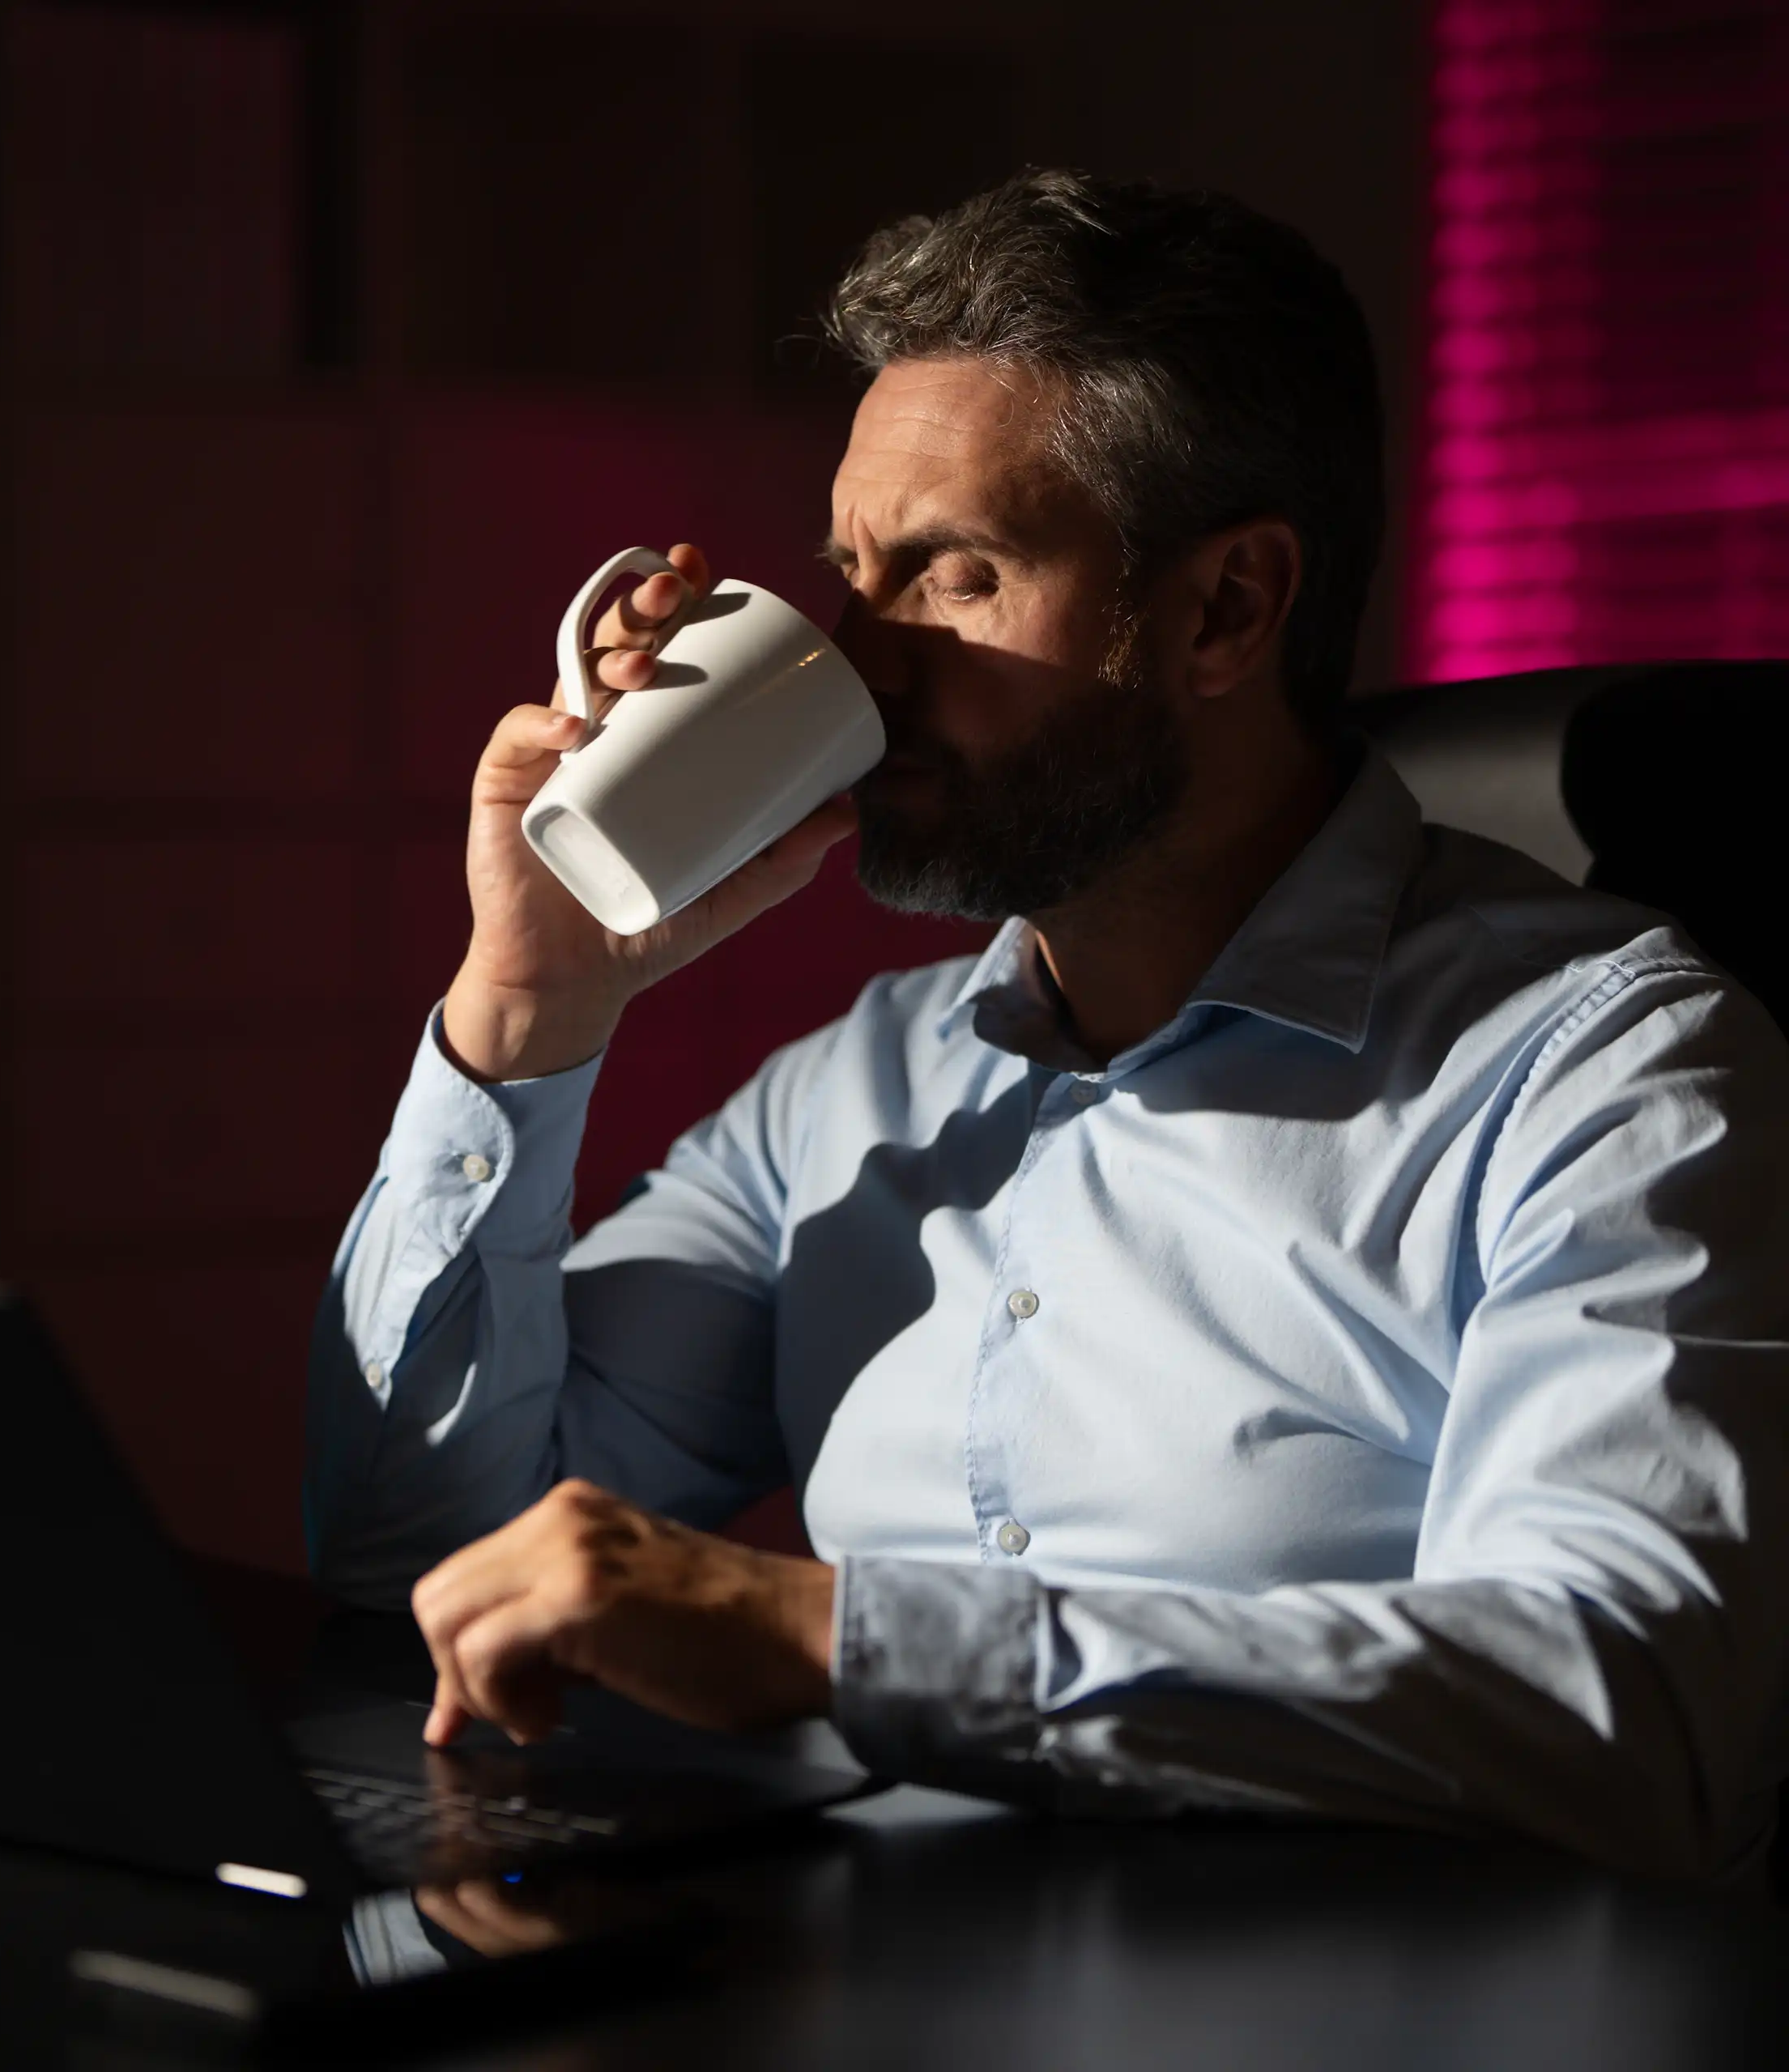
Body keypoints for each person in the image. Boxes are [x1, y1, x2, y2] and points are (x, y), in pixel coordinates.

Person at [305, 172, 1789, 1883]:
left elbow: (1624, 1718)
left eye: (949, 576)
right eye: (849, 578)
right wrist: (525, 1003)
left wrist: (839, 1645)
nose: (859, 664)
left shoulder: (1608, 1077)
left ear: (1225, 609)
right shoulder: (851, 1095)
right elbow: (413, 1548)